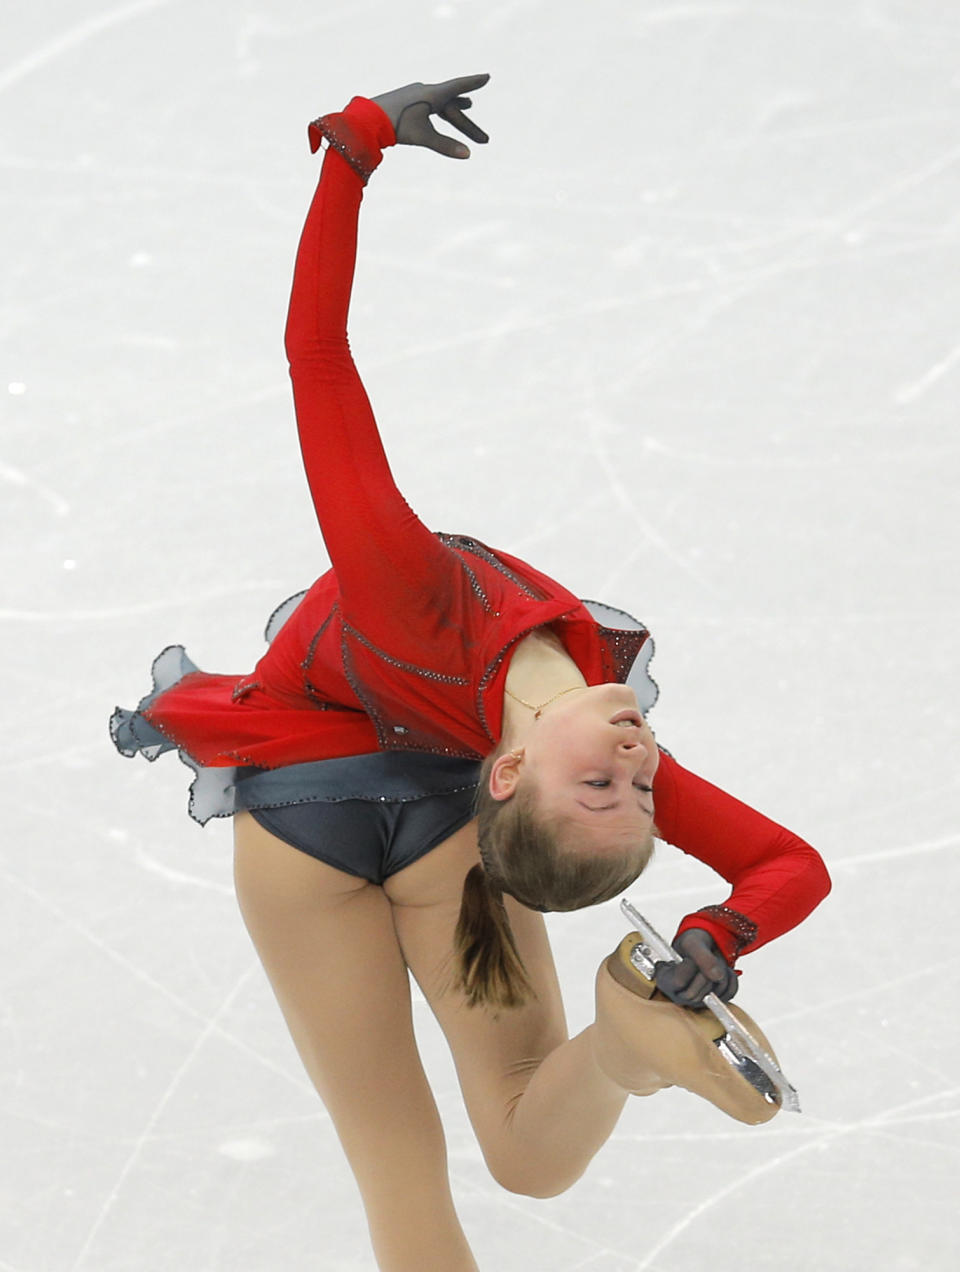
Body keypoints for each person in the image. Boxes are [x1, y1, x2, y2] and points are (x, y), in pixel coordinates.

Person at [111, 75, 830, 1272]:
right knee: (513, 1151)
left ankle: (619, 1041)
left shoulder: (416, 599)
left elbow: (317, 357)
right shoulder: (558, 737)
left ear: (509, 773)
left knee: (422, 1175)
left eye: (608, 790)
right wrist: (719, 927)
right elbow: (789, 866)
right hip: (410, 824)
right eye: (640, 793)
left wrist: (353, 147)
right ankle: (619, 1041)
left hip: (305, 820)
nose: (642, 765)